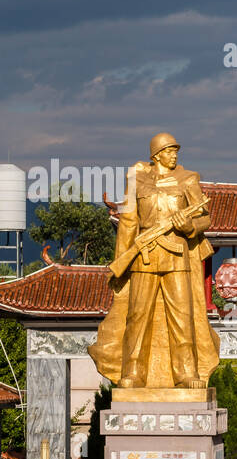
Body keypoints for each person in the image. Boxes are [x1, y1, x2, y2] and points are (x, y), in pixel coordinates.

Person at [88, 133, 219, 389]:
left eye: (175, 151)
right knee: (137, 316)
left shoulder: (188, 178)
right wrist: (120, 263)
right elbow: (128, 222)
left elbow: (205, 217)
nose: (174, 155)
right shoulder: (137, 181)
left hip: (176, 255)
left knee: (182, 316)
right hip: (144, 257)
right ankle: (134, 372)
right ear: (156, 154)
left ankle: (186, 373)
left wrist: (190, 226)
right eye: (169, 151)